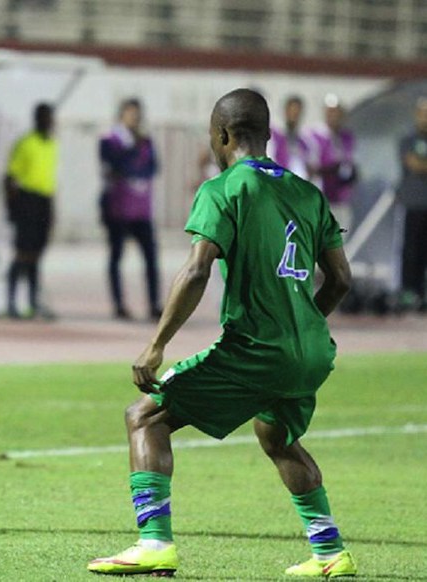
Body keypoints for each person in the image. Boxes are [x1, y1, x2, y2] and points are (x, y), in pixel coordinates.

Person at [88, 89, 356, 578]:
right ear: (268, 135)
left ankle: (154, 543)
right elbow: (340, 279)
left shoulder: (224, 188)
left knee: (145, 418)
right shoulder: (307, 192)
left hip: (256, 348)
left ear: (223, 135)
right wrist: (303, 323)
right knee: (277, 435)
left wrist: (156, 345)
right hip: (314, 351)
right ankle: (330, 551)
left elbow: (196, 271)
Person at [99, 98, 162, 321]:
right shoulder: (110, 140)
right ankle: (118, 304)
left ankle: (154, 303)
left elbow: (153, 167)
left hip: (141, 210)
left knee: (151, 256)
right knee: (116, 255)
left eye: (137, 114)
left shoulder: (146, 141)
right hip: (118, 208)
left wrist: (137, 173)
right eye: (130, 114)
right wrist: (133, 154)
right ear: (121, 115)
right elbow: (113, 165)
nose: (134, 118)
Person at [4, 102, 58, 319]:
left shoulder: (52, 144)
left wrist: (52, 209)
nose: (49, 121)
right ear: (37, 119)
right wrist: (12, 208)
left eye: (51, 117)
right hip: (27, 200)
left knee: (36, 255)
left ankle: (33, 302)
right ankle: (11, 302)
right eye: (45, 117)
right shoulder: (26, 143)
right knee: (22, 253)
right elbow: (10, 177)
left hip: (44, 201)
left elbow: (49, 179)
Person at [309, 94, 358, 234]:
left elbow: (350, 162)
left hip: (342, 198)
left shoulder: (346, 137)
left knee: (340, 237)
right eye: (330, 111)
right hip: (322, 196)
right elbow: (312, 167)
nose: (333, 116)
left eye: (336, 112)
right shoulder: (315, 135)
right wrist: (331, 169)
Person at [397, 96, 427, 312]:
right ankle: (408, 291)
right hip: (413, 203)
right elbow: (413, 164)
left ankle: (423, 293)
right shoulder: (407, 139)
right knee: (410, 250)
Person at [269, 95, 311, 180]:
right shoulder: (275, 136)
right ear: (285, 111)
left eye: (297, 111)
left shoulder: (304, 140)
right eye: (291, 110)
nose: (294, 114)